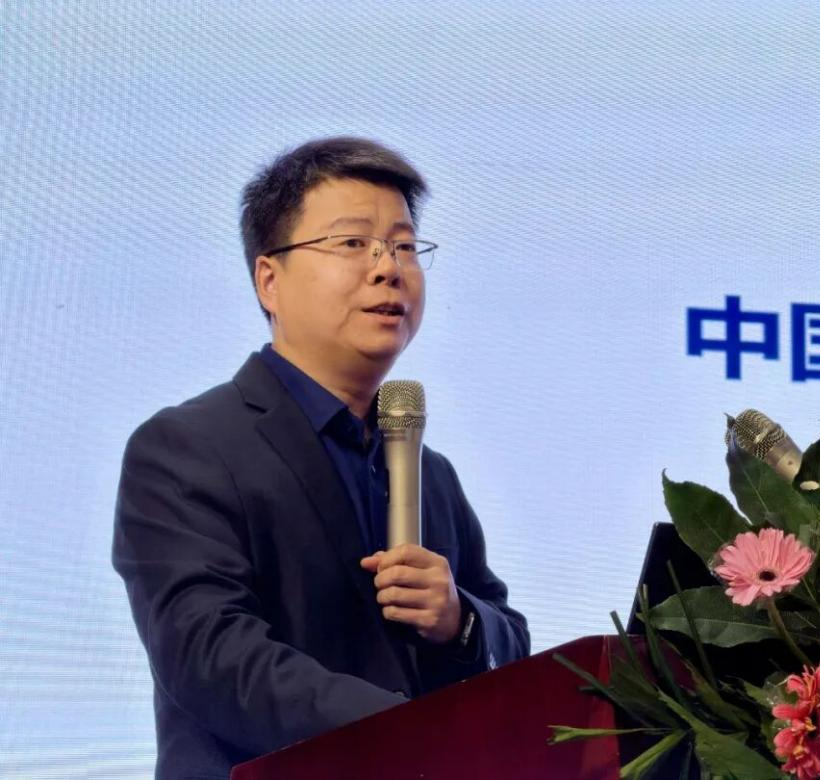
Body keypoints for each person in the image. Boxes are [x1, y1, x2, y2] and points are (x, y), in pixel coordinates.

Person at [112, 137, 530, 779]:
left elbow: (508, 636)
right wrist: (410, 734)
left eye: (404, 246)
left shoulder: (428, 472)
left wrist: (459, 620)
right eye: (353, 243)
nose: (388, 268)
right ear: (269, 280)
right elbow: (211, 656)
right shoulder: (185, 448)